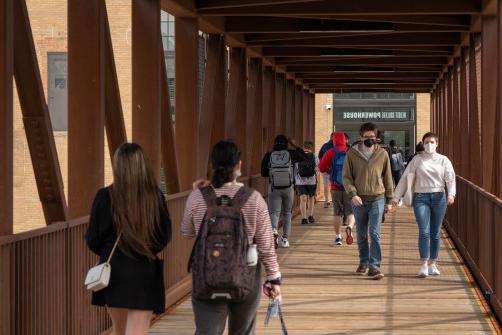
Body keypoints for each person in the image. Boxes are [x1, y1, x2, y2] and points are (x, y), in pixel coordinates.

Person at [182, 140, 282, 334]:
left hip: (206, 275)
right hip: (245, 275)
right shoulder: (253, 198)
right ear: (239, 165)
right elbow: (266, 245)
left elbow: (187, 232)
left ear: (212, 165)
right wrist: (274, 279)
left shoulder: (197, 197)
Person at [85, 143, 172, 335]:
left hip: (113, 270)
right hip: (144, 270)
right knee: (137, 331)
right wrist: (146, 248)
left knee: (119, 330)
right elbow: (164, 235)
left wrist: (108, 250)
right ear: (143, 165)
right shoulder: (155, 196)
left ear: (117, 166)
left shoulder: (104, 196)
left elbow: (92, 238)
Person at [392, 132, 456, 278]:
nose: (429, 145)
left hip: (439, 197)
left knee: (435, 232)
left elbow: (450, 178)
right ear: (422, 143)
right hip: (420, 197)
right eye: (426, 142)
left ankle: (433, 263)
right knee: (424, 231)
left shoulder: (443, 160)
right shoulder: (417, 160)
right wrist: (396, 197)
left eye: (432, 142)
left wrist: (451, 194)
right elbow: (404, 179)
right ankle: (424, 264)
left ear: (437, 143)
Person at [343, 123, 394, 280]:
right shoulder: (351, 154)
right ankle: (363, 262)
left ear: (376, 137)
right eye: (367, 137)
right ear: (360, 137)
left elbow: (388, 177)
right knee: (362, 234)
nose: (370, 140)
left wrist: (389, 200)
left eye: (372, 137)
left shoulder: (383, 154)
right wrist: (353, 194)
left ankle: (375, 266)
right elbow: (346, 177)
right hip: (359, 200)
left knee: (375, 233)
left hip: (377, 198)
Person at [261, 135, 308, 248]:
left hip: (274, 188)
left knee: (274, 213)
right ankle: (285, 239)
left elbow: (263, 173)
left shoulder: (269, 155)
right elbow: (305, 157)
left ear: (274, 143)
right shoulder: (291, 153)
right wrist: (296, 146)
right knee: (287, 213)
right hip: (288, 188)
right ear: (287, 144)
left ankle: (273, 230)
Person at [319, 131, 355, 246]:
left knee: (337, 212)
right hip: (349, 186)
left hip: (335, 186)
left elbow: (321, 167)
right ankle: (349, 227)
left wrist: (330, 171)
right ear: (345, 140)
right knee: (350, 211)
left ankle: (338, 237)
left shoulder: (330, 152)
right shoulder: (351, 151)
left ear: (334, 140)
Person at [295, 140, 320, 225]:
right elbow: (317, 171)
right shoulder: (315, 156)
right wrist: (318, 184)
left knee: (303, 199)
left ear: (304, 147)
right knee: (311, 198)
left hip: (300, 181)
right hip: (312, 181)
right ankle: (311, 216)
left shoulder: (298, 155)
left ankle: (303, 218)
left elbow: (295, 169)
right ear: (311, 147)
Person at [318, 133, 335, 208]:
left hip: (325, 168)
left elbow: (319, 156)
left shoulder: (325, 145)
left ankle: (326, 201)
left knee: (326, 184)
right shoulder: (337, 146)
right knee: (334, 185)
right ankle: (334, 201)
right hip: (335, 168)